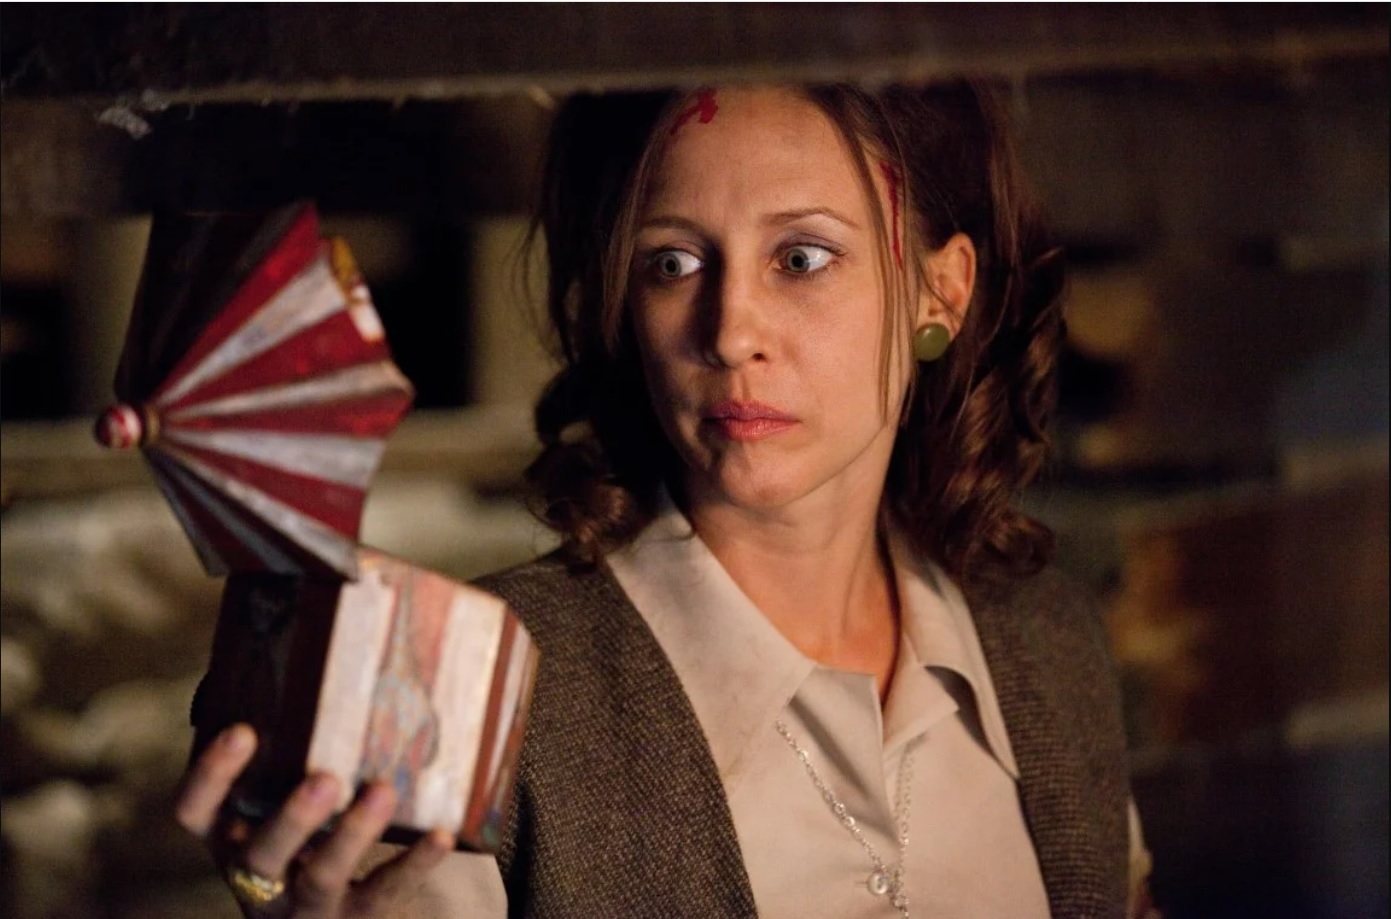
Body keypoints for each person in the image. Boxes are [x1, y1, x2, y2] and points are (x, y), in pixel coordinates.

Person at [176, 82, 1155, 919]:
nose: (728, 332)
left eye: (801, 258)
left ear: (940, 291)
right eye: (672, 263)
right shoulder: (483, 690)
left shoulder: (1044, 640)